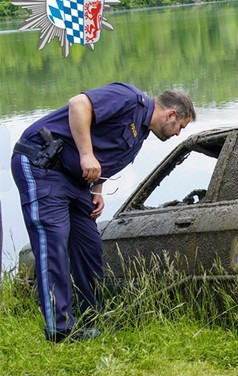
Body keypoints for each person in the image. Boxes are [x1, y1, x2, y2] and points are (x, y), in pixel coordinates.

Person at [11, 82, 195, 342]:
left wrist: (97, 190)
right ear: (171, 115)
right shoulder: (129, 98)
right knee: (53, 241)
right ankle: (60, 330)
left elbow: (104, 154)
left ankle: (91, 319)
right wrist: (86, 154)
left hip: (75, 182)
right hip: (43, 165)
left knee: (89, 245)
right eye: (181, 127)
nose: (178, 134)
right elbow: (79, 105)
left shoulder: (140, 132)